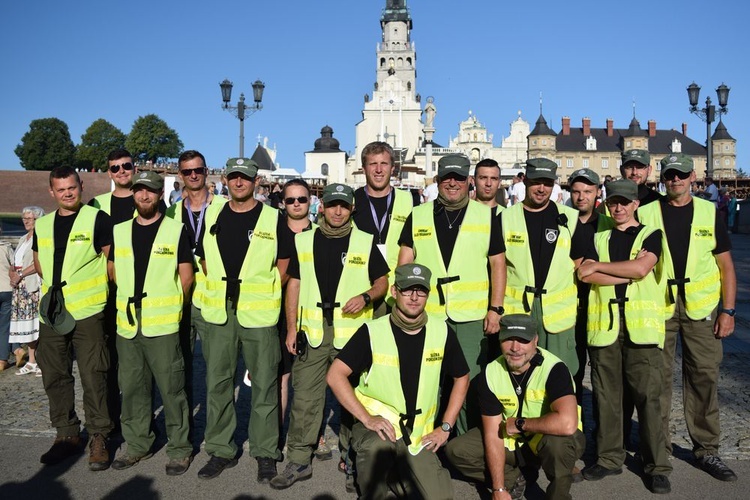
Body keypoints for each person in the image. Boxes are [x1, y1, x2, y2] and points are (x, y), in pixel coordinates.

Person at [270, 183, 389, 491]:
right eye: (333, 204)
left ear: (352, 209)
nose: (338, 211)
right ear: (322, 206)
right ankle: (298, 458)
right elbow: (294, 284)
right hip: (313, 331)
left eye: (344, 206)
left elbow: (382, 282)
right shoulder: (305, 241)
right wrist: (292, 327)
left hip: (351, 333)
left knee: (352, 399)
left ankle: (352, 461)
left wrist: (366, 297)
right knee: (306, 398)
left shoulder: (365, 241)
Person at [327, 263, 470, 500]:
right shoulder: (372, 331)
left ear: (427, 294)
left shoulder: (441, 331)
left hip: (417, 436)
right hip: (378, 429)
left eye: (420, 290)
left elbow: (462, 377)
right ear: (394, 292)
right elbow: (335, 375)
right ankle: (373, 481)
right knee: (377, 449)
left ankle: (395, 472)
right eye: (407, 290)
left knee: (440, 497)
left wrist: (445, 427)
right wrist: (366, 418)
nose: (414, 297)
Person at [638, 153, 738, 482]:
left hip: (701, 308)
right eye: (670, 175)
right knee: (657, 382)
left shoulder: (709, 211)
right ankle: (657, 451)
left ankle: (707, 450)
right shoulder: (646, 211)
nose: (675, 180)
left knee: (704, 379)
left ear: (693, 176)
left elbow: (726, 267)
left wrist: (728, 310)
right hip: (659, 306)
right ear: (662, 177)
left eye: (681, 174)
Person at [195, 158, 291, 483]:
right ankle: (221, 450)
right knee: (218, 383)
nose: (239, 182)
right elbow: (204, 258)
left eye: (245, 178)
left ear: (256, 181)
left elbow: (284, 262)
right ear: (224, 179)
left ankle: (265, 453)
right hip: (221, 312)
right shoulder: (213, 214)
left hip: (260, 313)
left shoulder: (272, 217)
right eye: (233, 177)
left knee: (264, 384)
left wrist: (261, 290)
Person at [398, 153, 504, 435]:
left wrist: (496, 309)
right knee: (429, 381)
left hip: (471, 317)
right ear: (438, 180)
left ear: (469, 181)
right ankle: (424, 443)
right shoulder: (418, 215)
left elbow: (498, 264)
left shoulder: (486, 216)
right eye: (447, 178)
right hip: (428, 314)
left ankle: (465, 445)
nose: (453, 183)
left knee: (469, 381)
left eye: (459, 178)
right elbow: (404, 262)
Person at [576, 179, 672, 494]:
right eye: (613, 202)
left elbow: (643, 269)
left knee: (648, 400)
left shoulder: (651, 235)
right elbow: (583, 272)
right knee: (606, 399)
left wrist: (603, 268)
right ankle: (608, 458)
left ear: (635, 205)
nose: (618, 208)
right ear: (607, 203)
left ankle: (656, 465)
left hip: (641, 330)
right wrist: (625, 268)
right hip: (604, 329)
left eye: (624, 202)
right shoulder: (598, 236)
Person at [108, 171, 194, 475]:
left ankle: (180, 448)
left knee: (172, 389)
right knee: (132, 388)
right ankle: (137, 445)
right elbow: (113, 271)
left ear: (160, 195)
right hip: (128, 324)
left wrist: (171, 310)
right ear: (133, 193)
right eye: (140, 190)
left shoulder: (175, 230)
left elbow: (187, 278)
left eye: (151, 191)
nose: (144, 196)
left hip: (164, 325)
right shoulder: (119, 231)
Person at [444, 314, 585, 500]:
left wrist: (520, 424)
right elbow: (492, 434)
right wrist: (498, 489)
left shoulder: (554, 369)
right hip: (512, 442)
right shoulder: (491, 372)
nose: (515, 348)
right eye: (508, 339)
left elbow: (567, 424)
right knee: (457, 451)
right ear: (500, 340)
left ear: (535, 341)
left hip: (549, 441)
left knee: (557, 446)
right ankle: (516, 479)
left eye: (523, 340)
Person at [33, 166, 113, 470]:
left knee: (94, 375)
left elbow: (111, 262)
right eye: (61, 189)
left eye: (72, 188)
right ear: (51, 192)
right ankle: (66, 434)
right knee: (54, 374)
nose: (67, 194)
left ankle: (98, 437)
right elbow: (40, 264)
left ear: (81, 186)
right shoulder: (42, 224)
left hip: (88, 312)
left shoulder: (97, 219)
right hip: (53, 312)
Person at [500, 158, 595, 377]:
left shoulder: (569, 219)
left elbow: (583, 265)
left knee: (562, 375)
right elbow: (498, 267)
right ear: (525, 181)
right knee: (518, 374)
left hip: (558, 316)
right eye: (536, 182)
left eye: (548, 183)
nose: (542, 188)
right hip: (519, 312)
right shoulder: (506, 218)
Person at [165, 150, 227, 410]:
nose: (193, 175)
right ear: (180, 175)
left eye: (198, 170)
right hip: (179, 295)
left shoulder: (224, 207)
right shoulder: (171, 213)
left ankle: (217, 435)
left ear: (206, 171)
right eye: (187, 171)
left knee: (218, 369)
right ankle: (183, 428)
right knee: (178, 367)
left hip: (213, 297)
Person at [352, 141, 414, 315]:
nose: (379, 170)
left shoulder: (409, 200)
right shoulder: (351, 201)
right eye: (373, 164)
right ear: (364, 168)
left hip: (398, 291)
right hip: (361, 289)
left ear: (392, 168)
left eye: (384, 164)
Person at [568, 168, 610, 408]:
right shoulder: (562, 221)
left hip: (600, 307)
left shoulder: (609, 224)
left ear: (597, 193)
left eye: (587, 191)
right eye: (576, 191)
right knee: (572, 372)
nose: (581, 196)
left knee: (604, 376)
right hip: (569, 309)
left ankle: (609, 437)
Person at [9, 206, 44, 375]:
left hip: (33, 286)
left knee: (38, 324)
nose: (26, 221)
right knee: (28, 325)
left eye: (29, 218)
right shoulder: (23, 238)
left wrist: (21, 274)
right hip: (20, 287)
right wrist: (12, 273)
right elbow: (15, 260)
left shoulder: (41, 237)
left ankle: (43, 361)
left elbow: (40, 262)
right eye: (24, 218)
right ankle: (32, 361)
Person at [0, 232, 15, 371]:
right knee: (4, 326)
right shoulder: (6, 247)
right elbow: (14, 266)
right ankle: (2, 360)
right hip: (7, 289)